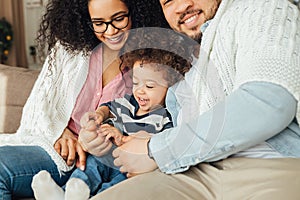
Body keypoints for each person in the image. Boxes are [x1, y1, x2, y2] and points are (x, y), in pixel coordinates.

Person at [85, 0, 300, 199]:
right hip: (191, 173)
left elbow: (268, 103)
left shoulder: (262, 8)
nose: (182, 6)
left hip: (269, 165)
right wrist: (108, 142)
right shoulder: (184, 61)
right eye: (168, 1)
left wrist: (156, 150)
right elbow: (162, 129)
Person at [0, 0, 169, 199]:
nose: (111, 30)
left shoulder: (154, 61)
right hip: (60, 154)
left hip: (108, 162)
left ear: (137, 12)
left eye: (119, 19)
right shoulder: (69, 49)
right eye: (99, 23)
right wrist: (59, 132)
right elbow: (38, 106)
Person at [31, 28, 194, 200]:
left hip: (129, 168)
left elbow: (152, 144)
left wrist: (121, 137)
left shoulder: (164, 118)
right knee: (90, 165)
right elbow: (110, 107)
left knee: (115, 186)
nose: (140, 92)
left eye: (150, 86)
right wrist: (100, 114)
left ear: (169, 86)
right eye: (136, 83)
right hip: (108, 157)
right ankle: (65, 193)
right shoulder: (130, 103)